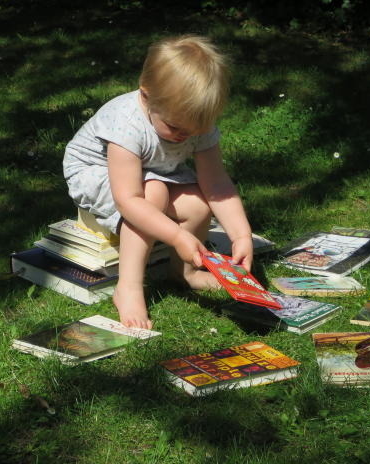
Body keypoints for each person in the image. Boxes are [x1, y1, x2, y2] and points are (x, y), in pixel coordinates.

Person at [63, 35, 253, 329]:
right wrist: (176, 237)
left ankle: (184, 273)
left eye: (194, 131)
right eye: (176, 128)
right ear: (146, 96)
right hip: (94, 171)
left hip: (153, 168)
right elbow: (129, 199)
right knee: (153, 194)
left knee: (198, 204)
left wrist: (241, 236)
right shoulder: (127, 124)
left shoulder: (190, 120)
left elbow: (216, 183)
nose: (184, 136)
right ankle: (128, 285)